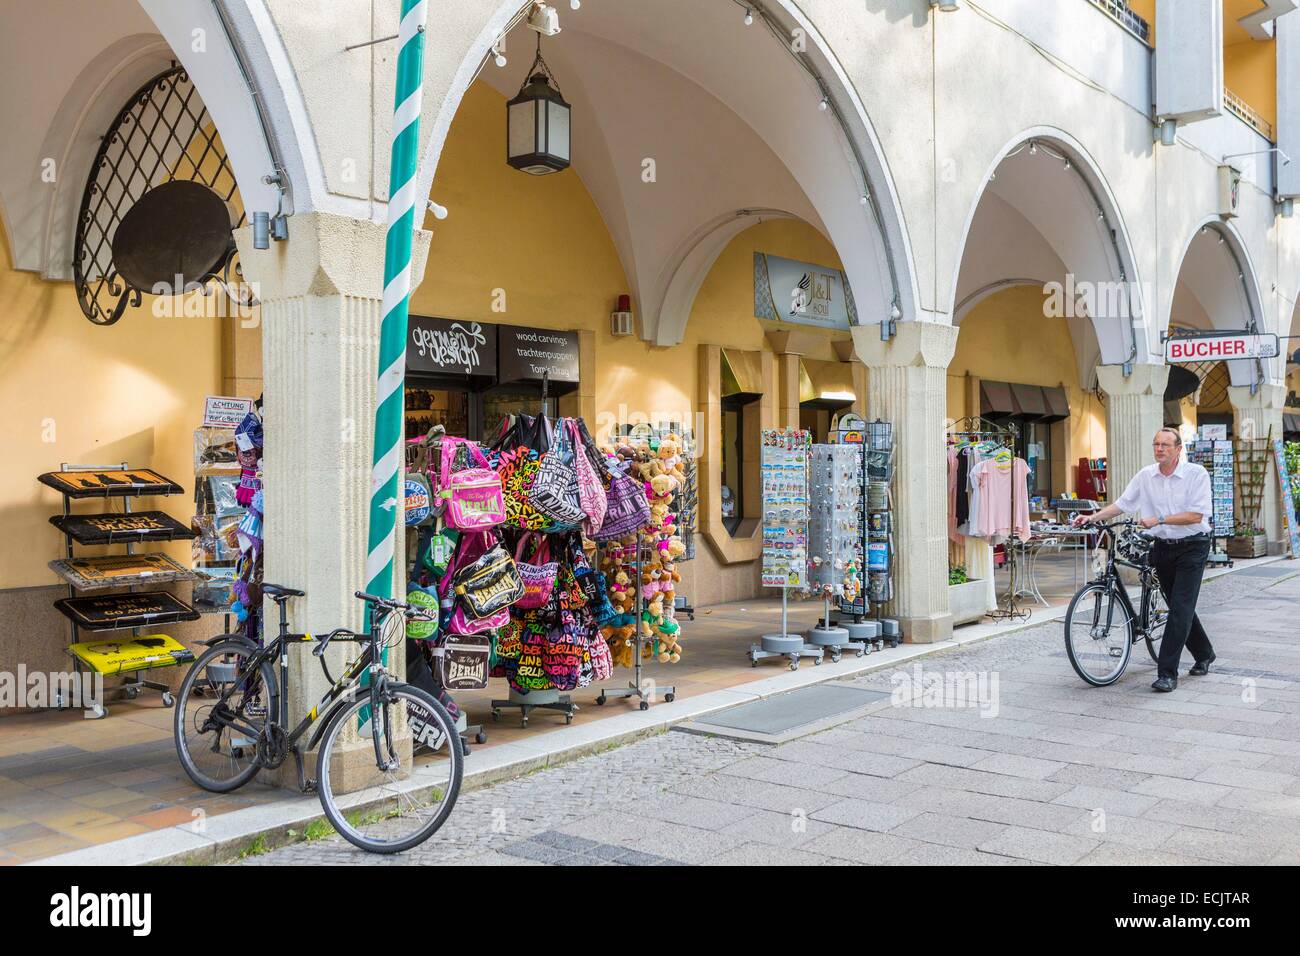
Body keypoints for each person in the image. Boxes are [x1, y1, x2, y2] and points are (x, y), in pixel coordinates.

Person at [1074, 427, 1215, 692]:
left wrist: (1158, 519)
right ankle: (1205, 653)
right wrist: (1092, 517)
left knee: (1181, 608)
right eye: (1156, 444)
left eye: (1165, 445)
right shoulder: (1146, 475)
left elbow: (1196, 516)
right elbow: (1122, 504)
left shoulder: (1196, 474)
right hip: (1162, 547)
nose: (1160, 449)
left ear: (1178, 449)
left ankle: (1167, 673)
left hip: (1193, 547)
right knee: (1178, 606)